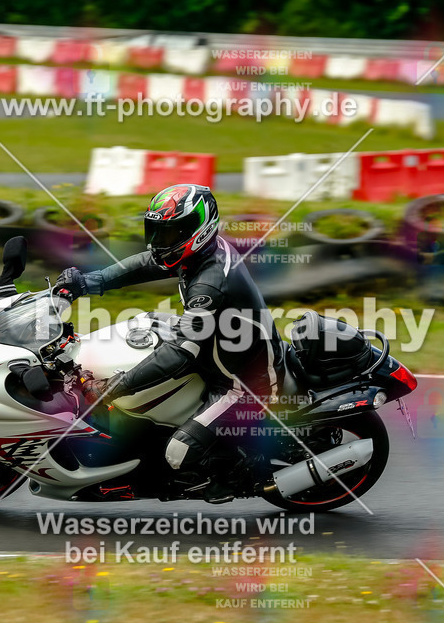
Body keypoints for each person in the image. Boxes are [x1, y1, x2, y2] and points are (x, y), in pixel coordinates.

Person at [55, 184, 283, 503]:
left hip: (242, 381)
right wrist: (89, 282)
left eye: (171, 232)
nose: (160, 242)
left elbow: (179, 354)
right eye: (158, 231)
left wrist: (114, 386)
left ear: (199, 229)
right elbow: (146, 263)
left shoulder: (210, 284)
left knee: (177, 453)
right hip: (216, 350)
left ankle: (237, 472)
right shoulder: (200, 252)